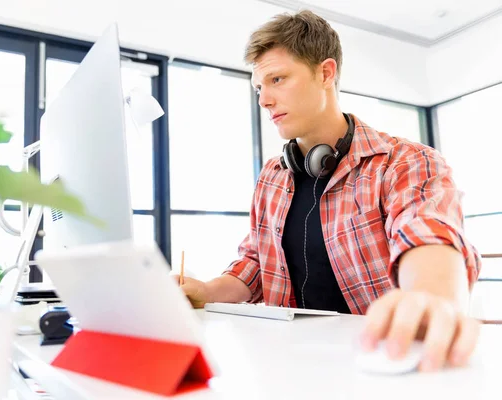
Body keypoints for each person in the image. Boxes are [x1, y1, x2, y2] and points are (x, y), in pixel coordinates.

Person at [178, 10, 482, 373]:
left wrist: (430, 297)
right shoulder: (272, 176)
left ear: (325, 73)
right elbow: (255, 264)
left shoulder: (404, 162)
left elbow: (427, 232)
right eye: (259, 88)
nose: (264, 100)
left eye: (278, 79)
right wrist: (205, 292)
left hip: (377, 361)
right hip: (287, 361)